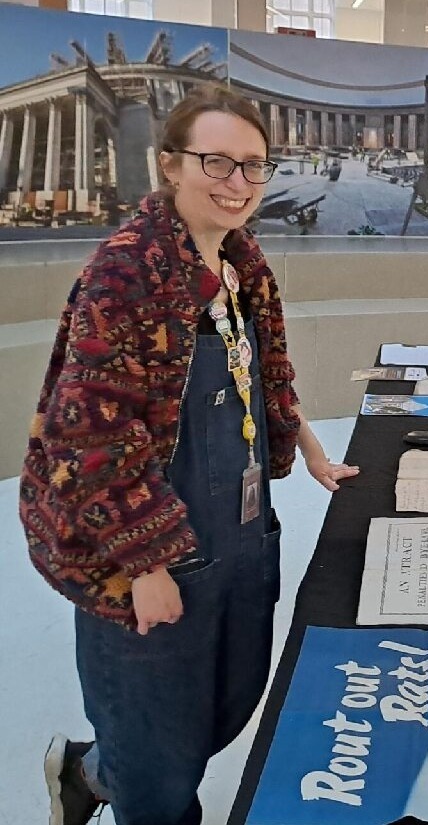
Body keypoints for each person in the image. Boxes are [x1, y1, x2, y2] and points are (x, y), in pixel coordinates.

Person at [20, 85, 360, 825]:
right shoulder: (125, 273)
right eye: (216, 162)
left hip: (235, 530)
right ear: (170, 165)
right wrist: (144, 564)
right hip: (139, 542)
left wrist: (306, 443)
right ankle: (117, 778)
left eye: (253, 166)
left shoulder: (242, 265)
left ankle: (88, 769)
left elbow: (261, 371)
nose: (237, 183)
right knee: (160, 769)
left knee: (219, 710)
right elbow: (93, 434)